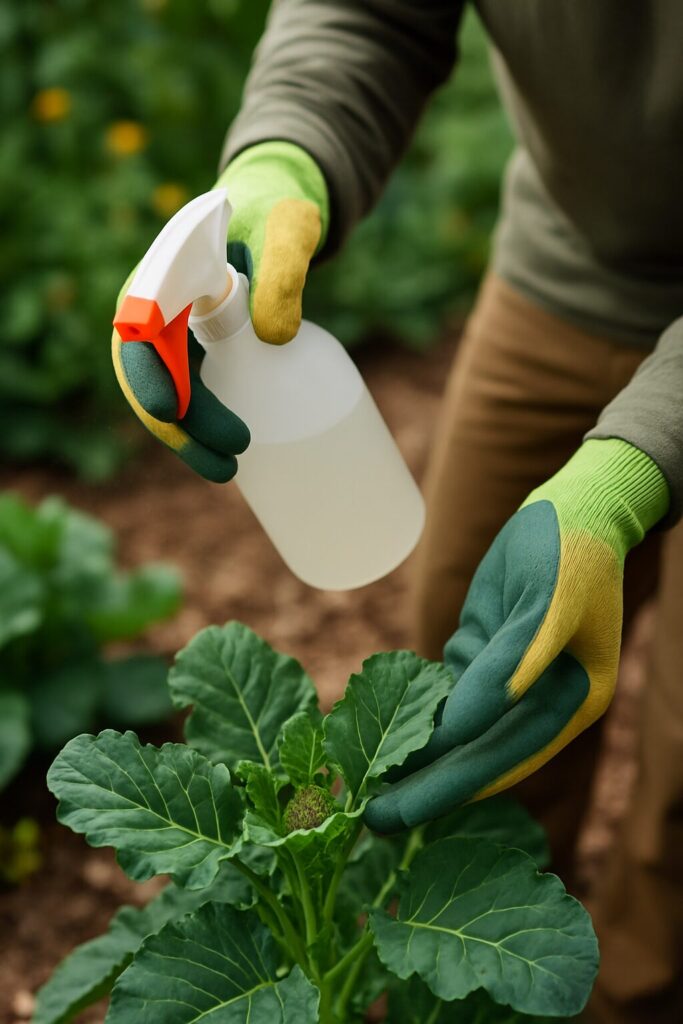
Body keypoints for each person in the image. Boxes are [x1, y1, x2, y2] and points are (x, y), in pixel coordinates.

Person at [111, 3, 683, 1021]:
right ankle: (487, 984)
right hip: (563, 269)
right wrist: (279, 163)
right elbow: (368, 13)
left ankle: (639, 990)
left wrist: (619, 481)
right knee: (467, 691)